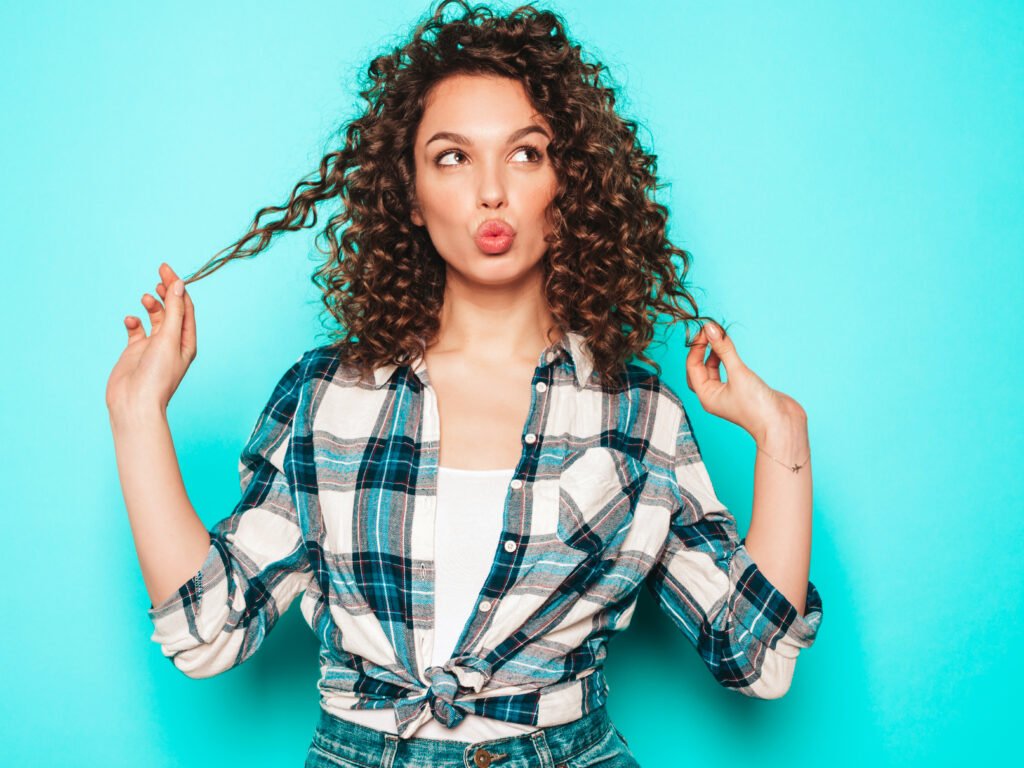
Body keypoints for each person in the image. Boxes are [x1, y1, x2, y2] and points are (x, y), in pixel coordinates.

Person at [105, 2, 823, 766]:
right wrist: (136, 414)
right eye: (452, 156)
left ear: (569, 182)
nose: (490, 191)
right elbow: (210, 628)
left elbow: (758, 659)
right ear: (409, 196)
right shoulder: (326, 397)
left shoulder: (638, 414)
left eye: (525, 154)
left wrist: (785, 438)